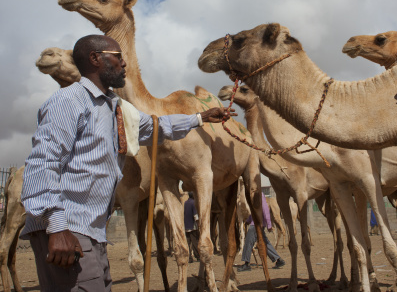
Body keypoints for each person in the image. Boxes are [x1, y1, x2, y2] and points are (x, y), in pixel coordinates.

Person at [20, 35, 235, 292]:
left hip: (92, 233)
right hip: (65, 230)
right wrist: (57, 229)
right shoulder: (68, 101)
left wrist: (200, 118)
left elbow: (157, 126)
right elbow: (42, 165)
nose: (125, 64)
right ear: (95, 59)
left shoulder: (115, 108)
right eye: (118, 57)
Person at [237, 192, 285, 272]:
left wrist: (269, 225)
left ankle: (246, 264)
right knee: (265, 243)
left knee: (248, 242)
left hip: (256, 224)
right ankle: (278, 260)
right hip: (256, 223)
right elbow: (253, 211)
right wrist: (248, 220)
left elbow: (265, 209)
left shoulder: (259, 194)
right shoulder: (252, 194)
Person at [184, 191, 200, 262]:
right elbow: (195, 216)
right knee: (195, 242)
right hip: (192, 226)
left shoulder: (185, 203)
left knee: (188, 243)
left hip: (186, 226)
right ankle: (198, 256)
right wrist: (199, 224)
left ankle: (189, 257)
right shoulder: (193, 203)